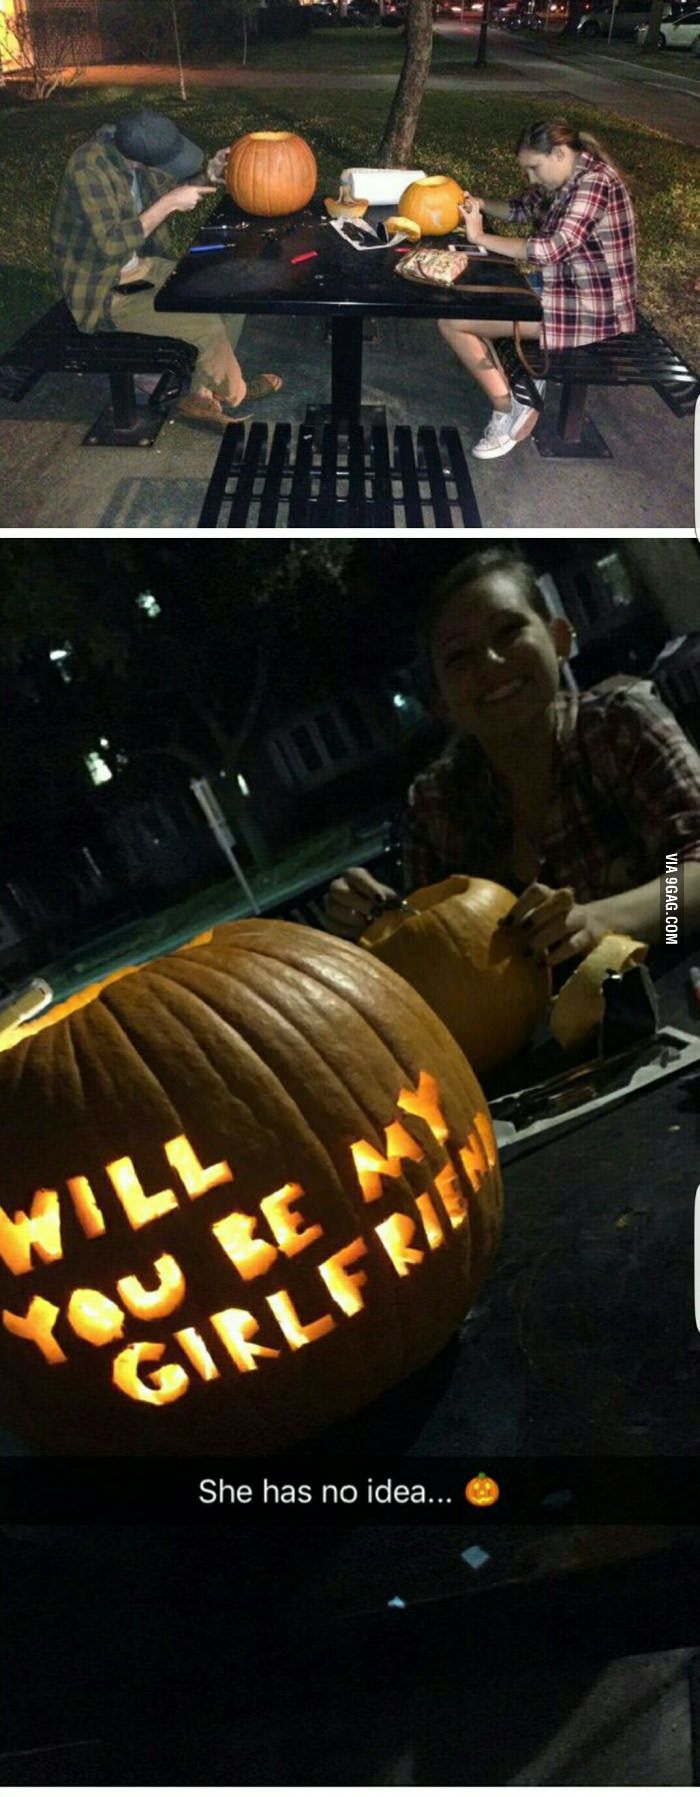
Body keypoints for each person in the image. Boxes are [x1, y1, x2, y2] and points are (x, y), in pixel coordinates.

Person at [325, 549, 700, 968]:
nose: (490, 661)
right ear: (441, 701)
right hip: (539, 1030)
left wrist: (601, 922)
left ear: (560, 639)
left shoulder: (619, 727)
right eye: (459, 657)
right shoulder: (435, 807)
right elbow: (440, 954)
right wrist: (377, 923)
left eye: (508, 630)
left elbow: (691, 863)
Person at [50, 109, 282, 431]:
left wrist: (212, 174)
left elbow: (172, 190)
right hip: (104, 289)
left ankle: (204, 392)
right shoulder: (89, 169)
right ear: (139, 160)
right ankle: (233, 392)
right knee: (205, 326)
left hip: (140, 266)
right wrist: (169, 204)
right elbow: (112, 245)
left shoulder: (129, 151)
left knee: (229, 293)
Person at [438, 119, 637, 461]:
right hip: (562, 287)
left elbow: (549, 250)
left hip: (591, 310)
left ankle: (509, 408)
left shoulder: (594, 184)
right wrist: (480, 203)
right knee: (469, 297)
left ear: (559, 153)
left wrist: (480, 237)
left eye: (534, 168)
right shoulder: (568, 173)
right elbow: (520, 209)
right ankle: (520, 384)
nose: (531, 178)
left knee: (452, 321)